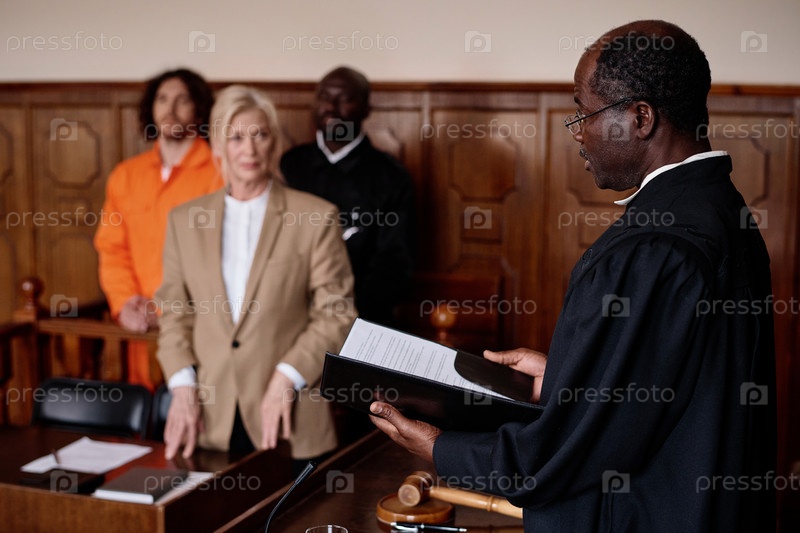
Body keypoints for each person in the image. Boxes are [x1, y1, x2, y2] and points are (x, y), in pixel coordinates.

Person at [370, 20, 776, 532]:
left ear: (640, 117)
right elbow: (664, 383)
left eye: (584, 112)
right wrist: (567, 377)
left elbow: (568, 456)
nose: (578, 132)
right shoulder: (724, 211)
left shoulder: (652, 249)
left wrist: (439, 447)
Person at [156, 85, 356, 469]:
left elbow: (337, 314)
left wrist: (287, 376)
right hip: (207, 419)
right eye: (236, 137)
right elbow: (175, 314)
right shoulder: (184, 221)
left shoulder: (315, 217)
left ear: (274, 142)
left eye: (260, 135)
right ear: (218, 145)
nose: (249, 149)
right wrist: (181, 387)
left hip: (291, 416)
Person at [94, 68, 222, 390]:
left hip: (198, 331)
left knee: (194, 410)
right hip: (137, 332)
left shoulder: (220, 172)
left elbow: (221, 257)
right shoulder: (126, 175)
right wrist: (124, 303)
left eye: (182, 100)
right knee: (143, 414)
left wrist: (166, 310)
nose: (170, 108)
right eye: (162, 99)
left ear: (199, 110)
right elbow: (112, 250)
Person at [280, 66, 415, 327]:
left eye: (344, 99)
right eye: (324, 96)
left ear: (366, 109)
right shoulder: (289, 165)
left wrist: (339, 313)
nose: (331, 107)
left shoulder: (391, 177)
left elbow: (395, 269)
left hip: (360, 321)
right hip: (288, 317)